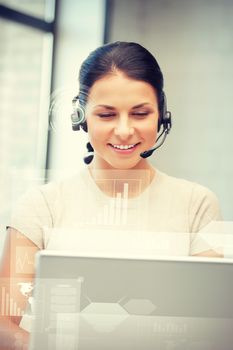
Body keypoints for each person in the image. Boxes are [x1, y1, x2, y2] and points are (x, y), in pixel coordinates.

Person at [0, 41, 222, 348]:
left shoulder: (198, 205)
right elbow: (3, 324)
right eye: (106, 115)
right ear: (80, 116)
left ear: (161, 115)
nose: (124, 130)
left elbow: (210, 324)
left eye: (140, 113)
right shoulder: (40, 206)